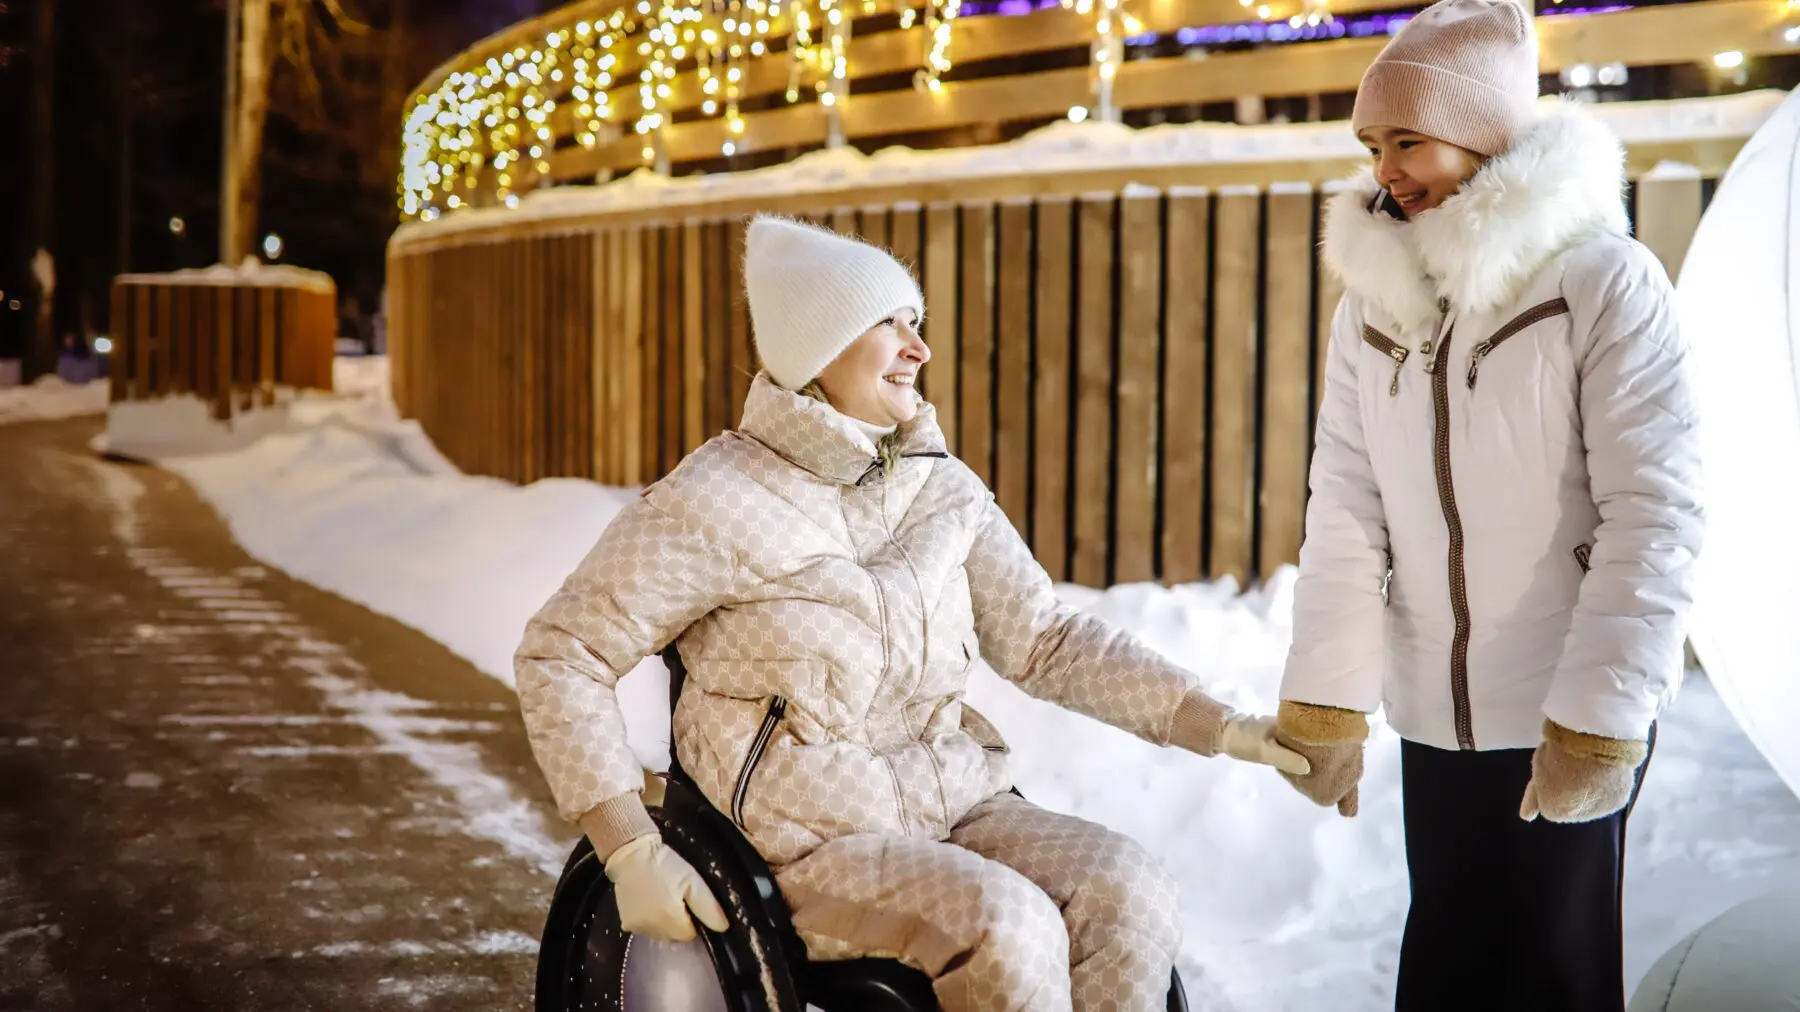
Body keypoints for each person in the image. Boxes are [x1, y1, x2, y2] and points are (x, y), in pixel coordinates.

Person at [516, 214, 1308, 1012]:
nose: (918, 348)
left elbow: (1048, 640)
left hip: (956, 808)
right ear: (814, 347)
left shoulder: (942, 488)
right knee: (1010, 926)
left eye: (915, 322)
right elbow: (563, 652)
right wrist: (625, 844)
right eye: (887, 323)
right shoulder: (714, 500)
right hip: (802, 844)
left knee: (1130, 889)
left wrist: (1219, 724)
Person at [1269, 2, 1705, 1010]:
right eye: (1374, 144)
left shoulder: (1604, 284)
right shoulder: (1375, 304)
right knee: (1447, 969)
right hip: (1437, 711)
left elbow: (1656, 511)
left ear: (1485, 134)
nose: (1385, 168)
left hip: (1561, 700)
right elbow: (1345, 503)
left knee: (1553, 974)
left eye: (1407, 141)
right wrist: (1327, 700)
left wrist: (1596, 723)